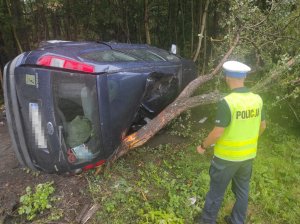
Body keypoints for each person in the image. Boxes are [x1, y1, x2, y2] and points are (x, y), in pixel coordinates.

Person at [196, 61, 266, 224]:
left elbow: (217, 132)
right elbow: (263, 126)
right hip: (248, 156)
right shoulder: (257, 99)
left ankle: (207, 221)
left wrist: (202, 146)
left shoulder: (227, 102)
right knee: (242, 191)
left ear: (228, 77)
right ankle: (237, 221)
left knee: (216, 192)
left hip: (225, 159)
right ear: (244, 77)